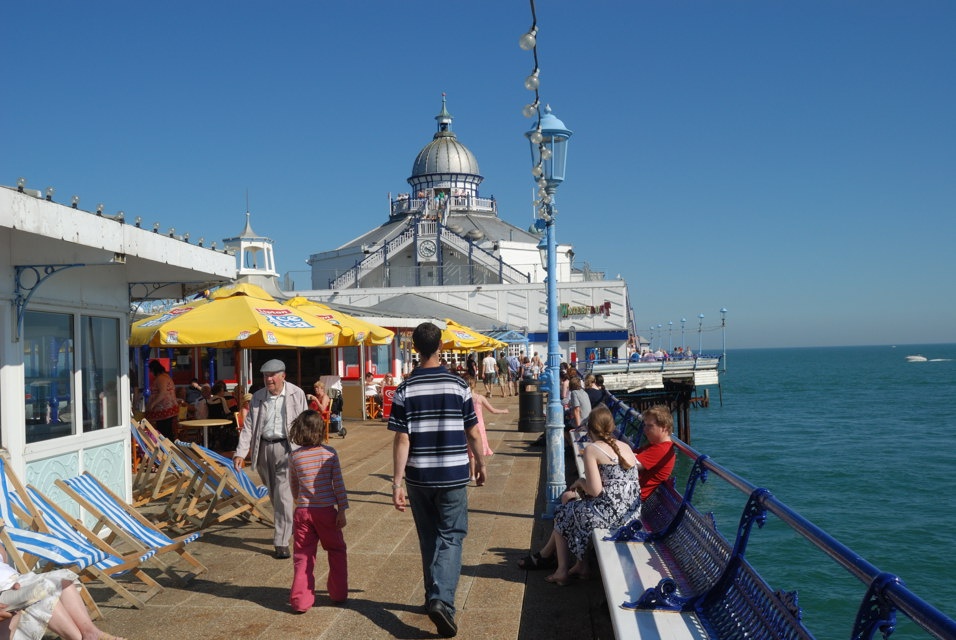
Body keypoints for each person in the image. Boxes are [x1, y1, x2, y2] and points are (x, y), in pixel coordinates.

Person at [389, 322, 483, 638]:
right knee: (452, 535)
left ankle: (433, 596)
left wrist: (397, 482)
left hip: (418, 476)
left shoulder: (405, 389)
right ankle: (441, 601)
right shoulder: (458, 385)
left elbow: (402, 439)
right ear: (440, 346)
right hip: (454, 474)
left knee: (429, 537)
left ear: (415, 348)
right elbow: (472, 430)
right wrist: (480, 462)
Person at [517, 406, 640, 583]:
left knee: (562, 513)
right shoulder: (625, 446)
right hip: (632, 514)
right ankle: (581, 566)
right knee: (574, 508)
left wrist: (580, 482)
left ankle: (562, 571)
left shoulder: (593, 449)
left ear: (590, 429)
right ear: (612, 427)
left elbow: (595, 490)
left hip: (612, 515)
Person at [234, 359, 308, 559]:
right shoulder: (258, 397)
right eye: (265, 376)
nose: (268, 379)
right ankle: (287, 524)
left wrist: (306, 450)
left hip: (287, 448)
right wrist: (241, 452)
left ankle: (281, 542)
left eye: (272, 375)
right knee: (274, 493)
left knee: (283, 495)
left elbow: (304, 422)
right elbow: (249, 426)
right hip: (263, 449)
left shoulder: (296, 393)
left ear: (283, 375)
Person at [288, 410, 349, 612]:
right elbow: (338, 484)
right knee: (336, 550)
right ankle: (338, 593)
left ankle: (300, 601)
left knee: (302, 555)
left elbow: (294, 486)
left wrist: (301, 501)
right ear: (320, 430)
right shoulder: (329, 453)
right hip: (326, 512)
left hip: (303, 511)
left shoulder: (294, 457)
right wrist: (342, 509)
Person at [0, 547, 126, 640]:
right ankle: (78, 638)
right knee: (42, 588)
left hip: (16, 579)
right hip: (4, 591)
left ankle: (91, 632)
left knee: (63, 579)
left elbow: (4, 560)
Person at [466, 379, 508, 481]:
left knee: (470, 452)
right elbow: (492, 410)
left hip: (467, 425)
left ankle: (472, 475)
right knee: (478, 450)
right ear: (475, 385)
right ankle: (479, 472)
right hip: (479, 426)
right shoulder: (479, 398)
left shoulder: (465, 399)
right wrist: (503, 411)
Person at [634, 405, 676, 501]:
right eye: (645, 425)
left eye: (650, 426)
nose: (645, 429)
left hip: (632, 500)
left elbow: (628, 463)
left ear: (664, 428)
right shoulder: (654, 445)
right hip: (630, 494)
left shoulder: (662, 450)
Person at [145, 359, 178, 439]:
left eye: (151, 371)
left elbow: (162, 394)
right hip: (168, 409)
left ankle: (166, 449)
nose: (151, 373)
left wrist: (152, 404)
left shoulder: (161, 378)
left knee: (164, 432)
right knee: (167, 431)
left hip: (164, 410)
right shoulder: (166, 376)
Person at [206, 381, 237, 451]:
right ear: (219, 392)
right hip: (222, 421)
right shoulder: (221, 399)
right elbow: (227, 411)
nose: (223, 393)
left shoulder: (208, 400)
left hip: (212, 422)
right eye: (222, 391)